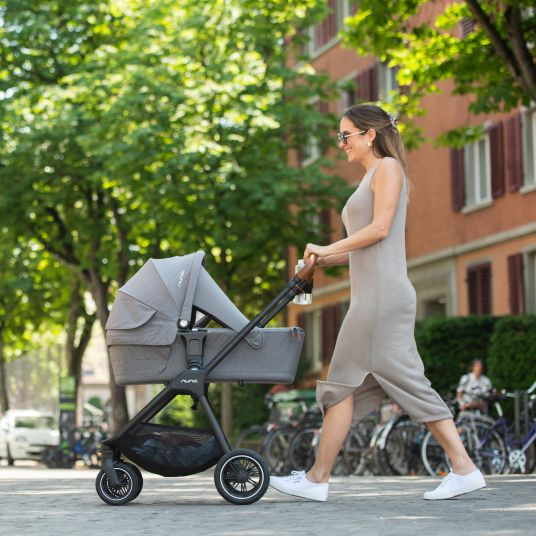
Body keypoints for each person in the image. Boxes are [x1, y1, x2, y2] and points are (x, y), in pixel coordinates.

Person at [270, 104, 486, 501]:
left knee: (393, 382)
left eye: (345, 135)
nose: (341, 144)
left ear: (370, 134)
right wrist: (320, 261)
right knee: (344, 389)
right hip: (374, 297)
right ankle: (318, 479)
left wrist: (325, 245)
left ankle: (463, 466)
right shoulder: (371, 175)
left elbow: (380, 229)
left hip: (382, 299)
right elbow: (364, 248)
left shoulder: (387, 169)